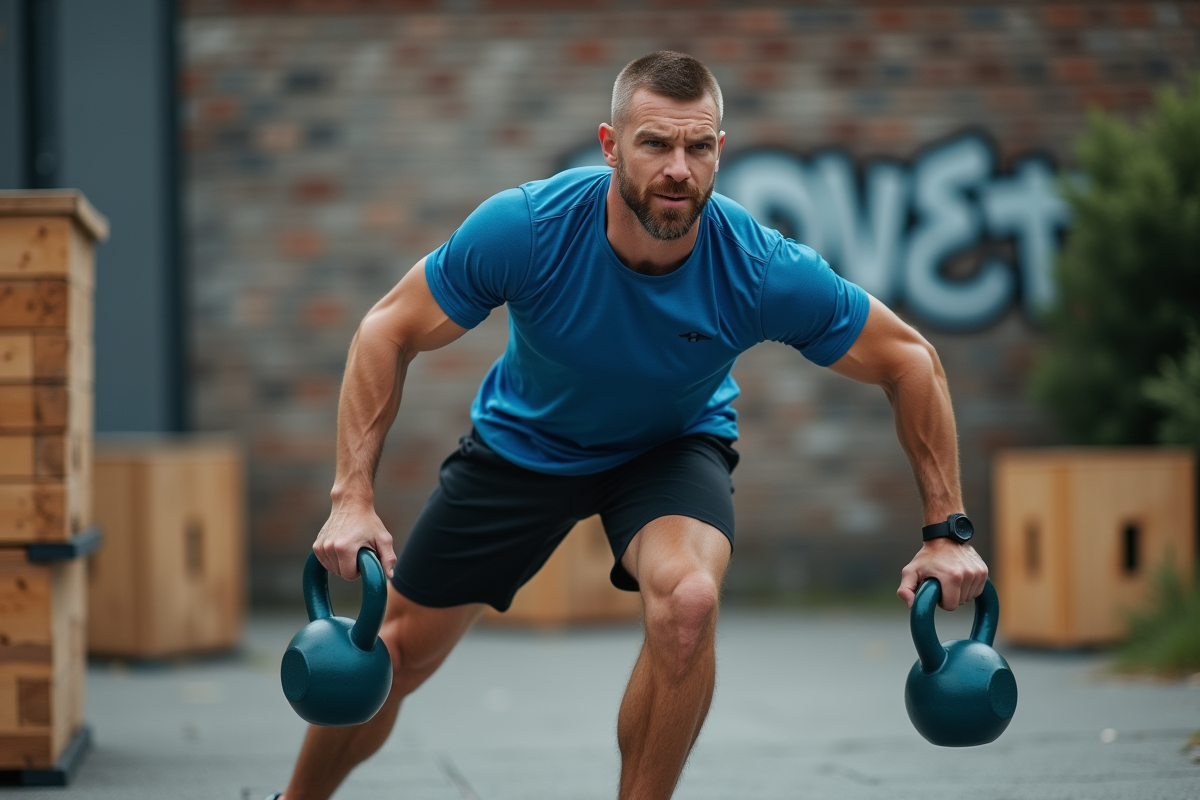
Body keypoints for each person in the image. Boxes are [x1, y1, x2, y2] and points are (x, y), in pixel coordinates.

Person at [271, 50, 988, 800]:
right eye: (655, 144)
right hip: (523, 445)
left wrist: (946, 531)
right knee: (394, 651)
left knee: (688, 603)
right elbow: (387, 328)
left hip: (668, 448)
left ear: (719, 151)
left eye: (698, 146)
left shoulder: (757, 267)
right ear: (612, 145)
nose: (678, 168)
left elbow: (910, 359)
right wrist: (351, 497)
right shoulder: (529, 229)